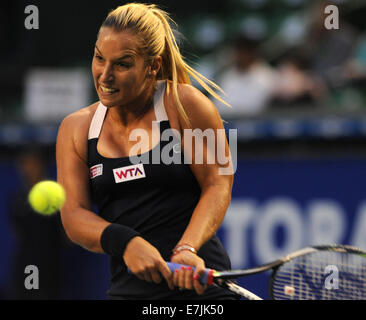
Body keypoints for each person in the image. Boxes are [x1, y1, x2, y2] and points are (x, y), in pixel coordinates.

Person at [56, 3, 238, 300]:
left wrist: (186, 248)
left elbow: (219, 183)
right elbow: (73, 216)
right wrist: (125, 242)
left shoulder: (186, 104)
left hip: (201, 294)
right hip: (128, 294)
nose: (105, 75)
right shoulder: (75, 129)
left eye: (122, 64)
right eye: (99, 58)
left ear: (152, 66)